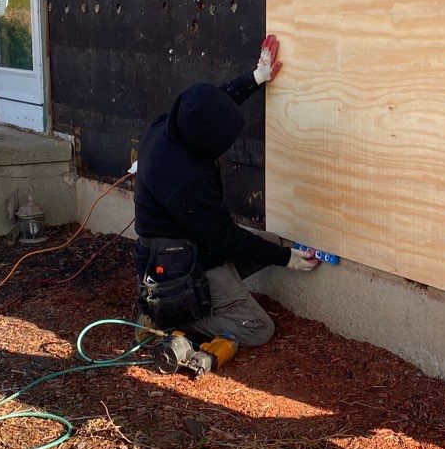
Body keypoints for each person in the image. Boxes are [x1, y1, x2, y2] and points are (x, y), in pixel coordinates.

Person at [134, 35, 319, 351]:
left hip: (188, 240)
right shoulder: (185, 180)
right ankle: (171, 316)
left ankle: (209, 294)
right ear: (206, 143)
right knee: (259, 328)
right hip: (178, 260)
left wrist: (256, 77)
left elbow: (212, 103)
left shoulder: (171, 124)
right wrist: (287, 259)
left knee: (269, 246)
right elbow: (223, 238)